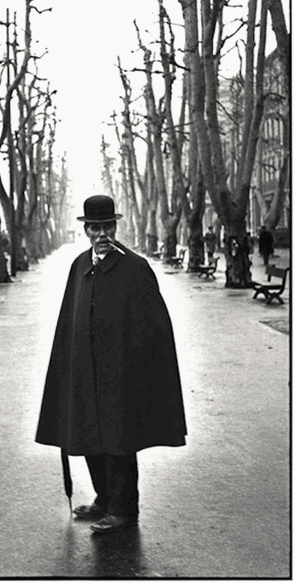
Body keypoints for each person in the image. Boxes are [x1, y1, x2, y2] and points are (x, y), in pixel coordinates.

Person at [35, 194, 187, 534]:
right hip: (86, 372)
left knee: (119, 442)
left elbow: (155, 326)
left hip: (121, 374)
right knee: (89, 437)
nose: (103, 234)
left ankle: (124, 509)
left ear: (115, 227)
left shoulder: (134, 268)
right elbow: (68, 323)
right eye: (96, 228)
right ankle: (104, 499)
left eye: (108, 227)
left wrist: (138, 366)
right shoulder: (79, 266)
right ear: (86, 230)